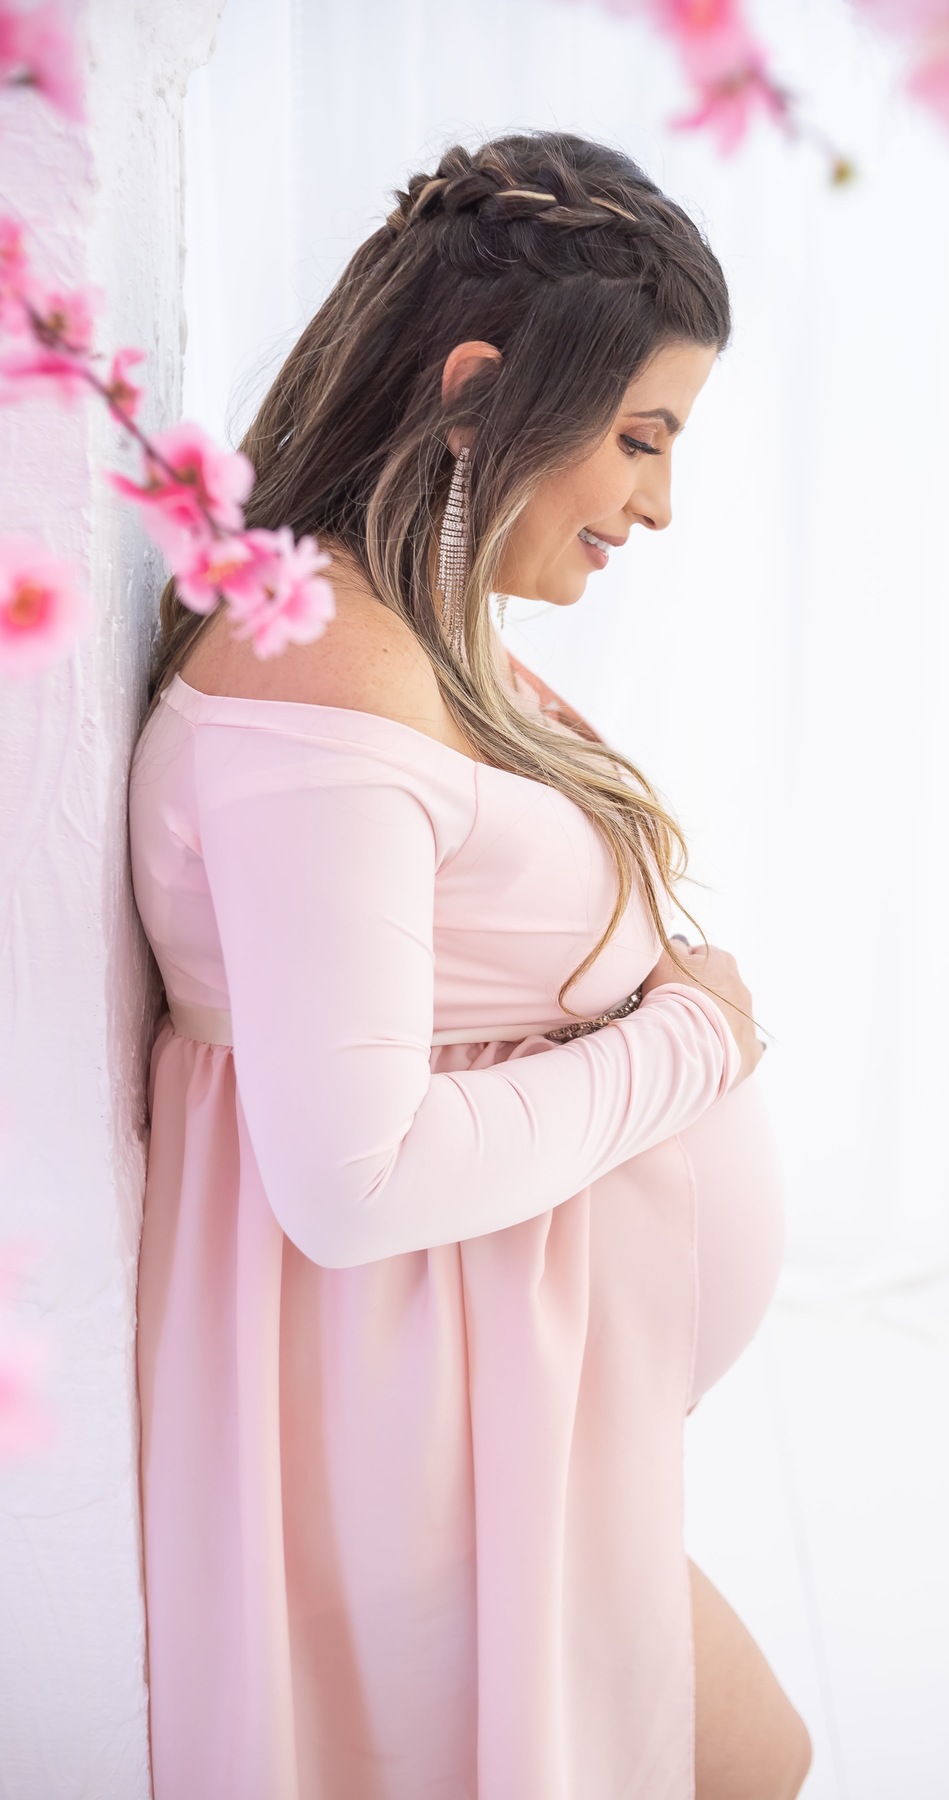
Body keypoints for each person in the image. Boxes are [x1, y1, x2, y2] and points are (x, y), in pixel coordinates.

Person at [128, 129, 811, 1800]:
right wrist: (693, 1044)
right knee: (752, 1761)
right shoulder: (326, 695)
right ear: (478, 387)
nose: (656, 504)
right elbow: (354, 1180)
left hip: (495, 1392)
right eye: (641, 440)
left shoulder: (400, 630)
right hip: (414, 1417)